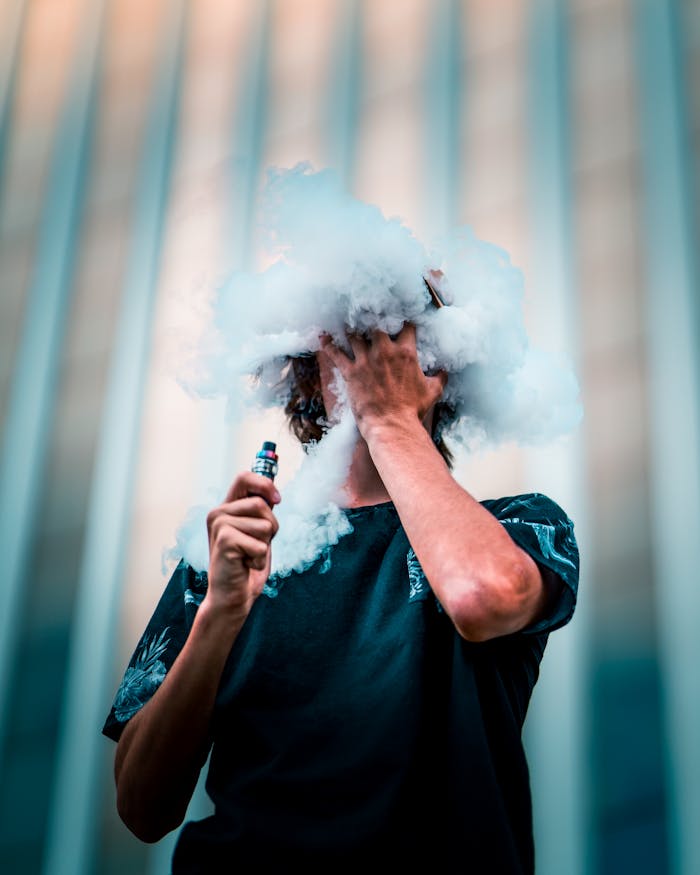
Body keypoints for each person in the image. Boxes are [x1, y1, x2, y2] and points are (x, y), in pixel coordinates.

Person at [103, 322, 579, 873]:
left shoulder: (517, 525)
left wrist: (389, 420)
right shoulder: (234, 552)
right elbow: (142, 807)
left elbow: (480, 597)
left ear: (442, 371)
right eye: (351, 334)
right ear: (310, 369)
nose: (378, 348)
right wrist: (220, 614)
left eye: (404, 332)